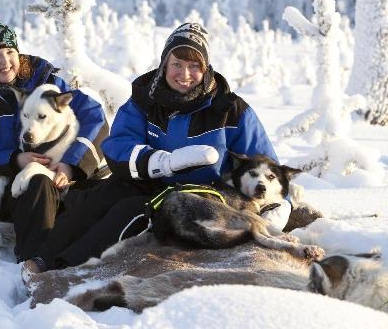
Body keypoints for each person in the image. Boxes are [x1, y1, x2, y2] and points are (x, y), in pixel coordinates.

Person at [23, 22, 277, 274]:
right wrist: (159, 162)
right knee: (99, 197)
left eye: (193, 66)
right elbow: (118, 145)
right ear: (164, 64)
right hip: (149, 178)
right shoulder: (146, 99)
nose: (184, 74)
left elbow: (264, 165)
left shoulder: (229, 109)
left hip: (201, 194)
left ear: (206, 68)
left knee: (129, 212)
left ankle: (65, 269)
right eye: (177, 64)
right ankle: (42, 257)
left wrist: (278, 205)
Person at [0, 12, 109, 262]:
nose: (5, 61)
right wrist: (13, 161)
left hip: (63, 179)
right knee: (38, 185)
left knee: (107, 194)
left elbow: (94, 117)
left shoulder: (46, 83)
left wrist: (72, 164)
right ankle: (36, 263)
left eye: (10, 52)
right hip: (13, 194)